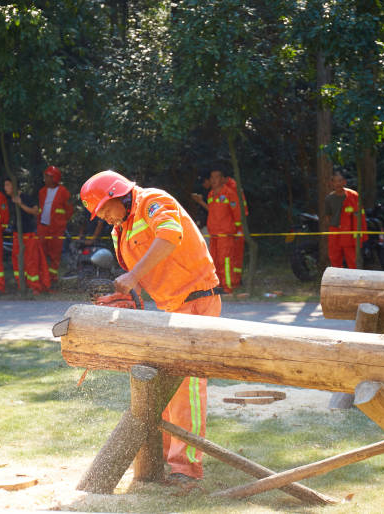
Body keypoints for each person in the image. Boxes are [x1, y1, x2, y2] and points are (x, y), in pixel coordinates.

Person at [80, 170, 220, 482]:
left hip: (196, 299)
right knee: (161, 384)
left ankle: (186, 469)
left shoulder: (152, 201)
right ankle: (163, 458)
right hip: (169, 306)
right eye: (98, 213)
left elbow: (169, 237)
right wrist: (128, 290)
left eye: (104, 209)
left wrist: (132, 276)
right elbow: (141, 276)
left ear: (119, 195)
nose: (104, 217)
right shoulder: (120, 230)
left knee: (188, 385)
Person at [192, 170, 241, 293]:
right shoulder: (211, 194)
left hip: (225, 233)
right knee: (214, 260)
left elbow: (237, 213)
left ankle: (227, 287)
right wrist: (201, 202)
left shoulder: (229, 193)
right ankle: (218, 286)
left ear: (222, 179)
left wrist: (238, 230)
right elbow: (212, 211)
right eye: (212, 177)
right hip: (213, 233)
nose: (213, 180)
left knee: (226, 261)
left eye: (217, 177)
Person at [4, 178, 50, 294]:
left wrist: (21, 204)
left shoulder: (26, 198)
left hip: (28, 235)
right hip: (16, 236)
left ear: (14, 186)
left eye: (8, 185)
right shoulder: (8, 200)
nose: (5, 188)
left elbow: (35, 211)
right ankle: (22, 286)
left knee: (31, 262)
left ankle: (35, 287)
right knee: (17, 262)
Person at [37, 166, 74, 288]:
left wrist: (61, 223)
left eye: (48, 176)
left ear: (55, 178)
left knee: (55, 256)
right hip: (43, 228)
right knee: (41, 254)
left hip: (56, 230)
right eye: (45, 176)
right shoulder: (41, 191)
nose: (45, 179)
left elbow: (69, 211)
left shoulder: (64, 192)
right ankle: (42, 280)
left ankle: (52, 281)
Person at [324, 171, 367, 269]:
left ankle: (354, 280)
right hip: (335, 231)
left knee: (352, 258)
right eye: (335, 181)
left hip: (349, 231)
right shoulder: (329, 199)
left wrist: (359, 233)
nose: (338, 184)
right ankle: (338, 280)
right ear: (332, 183)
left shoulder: (353, 195)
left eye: (340, 181)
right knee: (334, 257)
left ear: (344, 182)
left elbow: (361, 216)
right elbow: (328, 216)